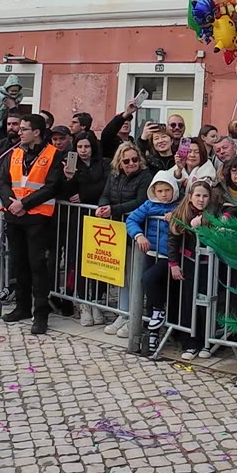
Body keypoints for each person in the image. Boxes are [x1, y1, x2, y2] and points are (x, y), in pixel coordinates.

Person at [0, 113, 72, 335]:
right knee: (19, 264)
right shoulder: (15, 153)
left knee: (39, 267)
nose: (19, 132)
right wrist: (12, 203)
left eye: (24, 129)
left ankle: (40, 314)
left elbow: (52, 186)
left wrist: (24, 204)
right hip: (15, 216)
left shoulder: (55, 155)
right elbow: (3, 181)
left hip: (39, 218)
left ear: (36, 132)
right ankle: (22, 307)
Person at [99, 144, 155, 338]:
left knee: (134, 276)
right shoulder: (114, 175)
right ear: (120, 163)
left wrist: (114, 209)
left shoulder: (145, 177)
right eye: (127, 161)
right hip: (116, 231)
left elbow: (140, 202)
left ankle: (134, 315)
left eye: (135, 159)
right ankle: (122, 314)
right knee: (121, 277)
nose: (131, 163)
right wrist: (103, 206)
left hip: (135, 231)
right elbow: (105, 194)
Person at [127, 169, 182, 356]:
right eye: (160, 191)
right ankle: (152, 335)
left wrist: (176, 219)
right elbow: (132, 219)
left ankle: (158, 313)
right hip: (151, 252)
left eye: (167, 190)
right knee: (151, 290)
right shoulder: (149, 205)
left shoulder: (180, 206)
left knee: (148, 279)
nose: (164, 195)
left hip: (170, 256)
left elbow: (188, 221)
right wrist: (139, 235)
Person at [168, 181, 219, 360]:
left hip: (210, 263)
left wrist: (204, 220)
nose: (201, 199)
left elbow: (231, 210)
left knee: (208, 301)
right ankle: (190, 342)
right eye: (197, 195)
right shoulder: (182, 213)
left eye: (205, 196)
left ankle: (207, 341)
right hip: (190, 261)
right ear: (190, 197)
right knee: (188, 301)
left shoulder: (214, 213)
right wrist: (173, 263)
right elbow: (173, 239)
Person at [67, 133, 108, 206]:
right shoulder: (71, 164)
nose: (83, 150)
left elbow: (106, 185)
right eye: (79, 147)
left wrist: (84, 195)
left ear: (92, 147)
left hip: (98, 206)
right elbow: (68, 192)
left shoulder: (104, 163)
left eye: (87, 146)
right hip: (77, 210)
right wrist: (69, 178)